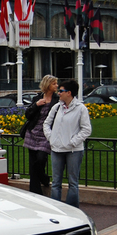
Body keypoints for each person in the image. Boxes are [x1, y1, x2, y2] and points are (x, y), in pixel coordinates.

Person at [43, 79, 91, 208]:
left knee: (73, 183)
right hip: (56, 150)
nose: (59, 93)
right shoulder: (57, 107)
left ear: (69, 93)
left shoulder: (81, 109)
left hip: (73, 151)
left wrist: (72, 142)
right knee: (56, 182)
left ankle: (73, 210)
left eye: (61, 91)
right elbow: (46, 123)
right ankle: (56, 209)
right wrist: (51, 138)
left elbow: (86, 129)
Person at [23, 75, 60, 195]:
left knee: (41, 158)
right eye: (54, 84)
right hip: (33, 132)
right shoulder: (37, 98)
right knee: (33, 162)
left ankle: (44, 177)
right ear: (48, 84)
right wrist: (36, 105)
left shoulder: (57, 99)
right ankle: (35, 192)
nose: (57, 86)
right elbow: (28, 114)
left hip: (46, 134)